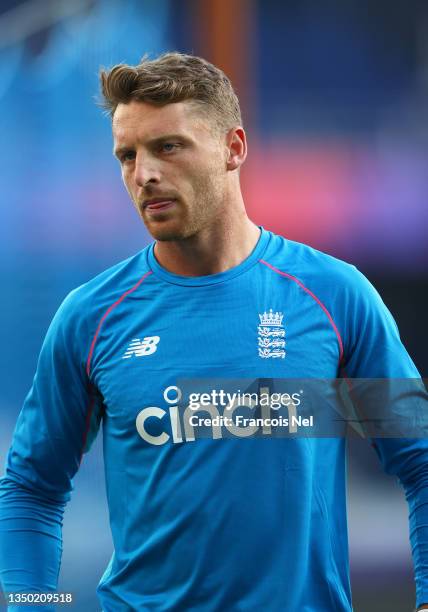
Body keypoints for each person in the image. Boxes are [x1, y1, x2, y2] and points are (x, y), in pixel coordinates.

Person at [0, 52, 427, 612]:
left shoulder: (334, 297)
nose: (144, 173)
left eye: (168, 147)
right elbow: (32, 487)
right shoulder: (90, 317)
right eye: (127, 155)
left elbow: (419, 458)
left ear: (234, 148)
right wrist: (31, 605)